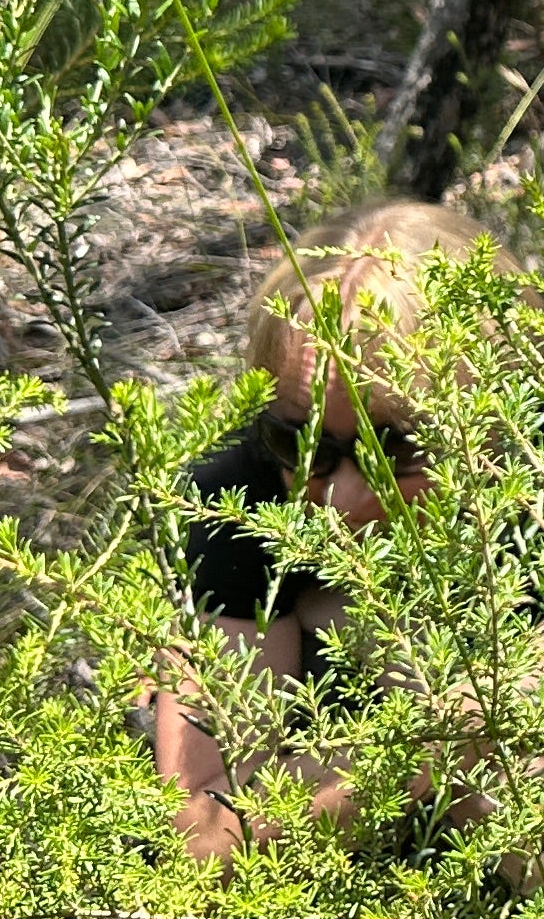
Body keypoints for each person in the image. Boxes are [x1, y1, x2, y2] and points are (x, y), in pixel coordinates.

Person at [152, 197, 485, 862]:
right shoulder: (239, 500)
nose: (341, 497)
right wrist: (438, 735)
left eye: (395, 448)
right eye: (300, 443)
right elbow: (198, 836)